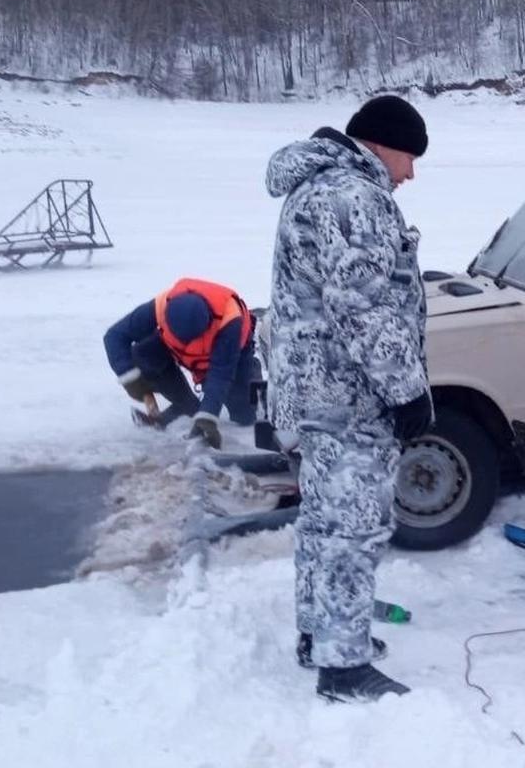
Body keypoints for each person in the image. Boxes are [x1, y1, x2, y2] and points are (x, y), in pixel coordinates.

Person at [264, 95, 432, 702]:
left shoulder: (318, 187)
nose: (409, 173)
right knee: (352, 527)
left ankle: (320, 632)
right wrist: (408, 389)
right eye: (408, 157)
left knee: (321, 518)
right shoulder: (352, 197)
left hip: (316, 388)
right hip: (347, 394)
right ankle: (343, 665)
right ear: (380, 144)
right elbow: (363, 306)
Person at [103, 278, 259, 447]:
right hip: (182, 352)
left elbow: (221, 373)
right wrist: (129, 377)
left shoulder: (230, 321)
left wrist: (208, 417)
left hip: (230, 354)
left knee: (244, 416)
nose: (186, 344)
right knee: (143, 355)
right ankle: (189, 405)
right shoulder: (161, 305)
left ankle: (252, 370)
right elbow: (115, 336)